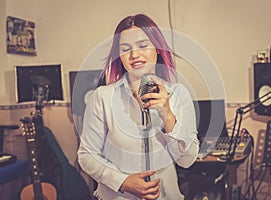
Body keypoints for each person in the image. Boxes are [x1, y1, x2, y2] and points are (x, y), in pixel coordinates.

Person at [77, 13, 199, 200]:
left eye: (143, 46)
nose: (134, 55)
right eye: (126, 49)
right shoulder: (102, 97)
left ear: (157, 48)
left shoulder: (178, 94)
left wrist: (167, 114)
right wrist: (123, 182)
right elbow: (86, 156)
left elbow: (187, 160)